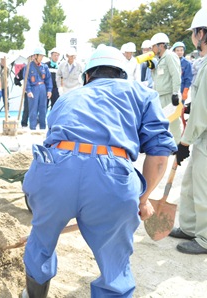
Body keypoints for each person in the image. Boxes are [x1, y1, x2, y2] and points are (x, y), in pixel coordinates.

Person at [20, 45, 177, 297]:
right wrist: (142, 199)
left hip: (53, 173)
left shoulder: (69, 97)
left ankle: (33, 294)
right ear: (124, 74)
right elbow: (159, 156)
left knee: (41, 239)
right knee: (115, 263)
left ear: (87, 76)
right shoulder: (141, 93)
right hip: (111, 179)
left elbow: (51, 141)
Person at [169, 8, 207, 255]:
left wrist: (184, 141)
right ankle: (190, 227)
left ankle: (204, 238)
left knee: (203, 187)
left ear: (202, 33)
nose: (192, 37)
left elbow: (202, 113)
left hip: (204, 133)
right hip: (203, 134)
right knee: (192, 182)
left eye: (194, 33)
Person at [150, 32, 182, 143]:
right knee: (163, 121)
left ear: (161, 45)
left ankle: (178, 145)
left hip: (169, 95)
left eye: (153, 46)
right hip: (161, 95)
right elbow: (158, 78)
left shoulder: (170, 56)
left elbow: (176, 75)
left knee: (174, 122)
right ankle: (169, 143)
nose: (152, 49)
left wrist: (175, 93)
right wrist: (153, 69)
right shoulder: (161, 58)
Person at [23, 47, 52, 130]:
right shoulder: (28, 67)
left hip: (43, 88)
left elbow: (48, 79)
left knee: (43, 109)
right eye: (40, 56)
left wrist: (49, 90)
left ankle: (43, 127)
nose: (42, 58)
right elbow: (26, 80)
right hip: (33, 88)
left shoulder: (45, 67)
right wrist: (28, 90)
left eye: (43, 56)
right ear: (35, 56)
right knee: (33, 109)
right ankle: (32, 127)